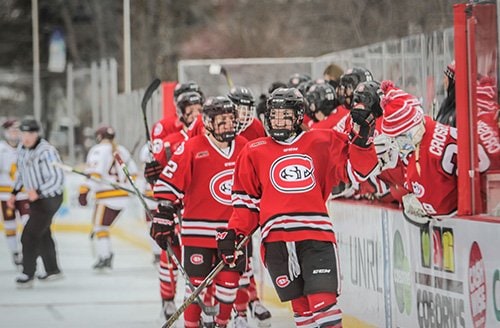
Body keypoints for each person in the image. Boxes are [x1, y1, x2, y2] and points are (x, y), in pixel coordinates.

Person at [219, 88, 378, 327]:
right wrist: (235, 234)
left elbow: (359, 171)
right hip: (276, 242)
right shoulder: (253, 151)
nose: (279, 120)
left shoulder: (322, 141)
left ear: (298, 116)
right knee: (301, 309)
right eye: (275, 115)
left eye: (286, 115)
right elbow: (245, 205)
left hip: (315, 236)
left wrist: (363, 141)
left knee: (323, 303)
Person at [152, 96, 248, 327]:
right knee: (195, 288)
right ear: (208, 123)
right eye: (221, 121)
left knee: (229, 286)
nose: (227, 125)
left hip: (234, 232)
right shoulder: (192, 147)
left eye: (230, 120)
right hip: (197, 233)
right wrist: (164, 214)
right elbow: (167, 185)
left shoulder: (245, 146)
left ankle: (222, 324)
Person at [379, 80, 490, 225]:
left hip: (486, 199)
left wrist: (419, 204)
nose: (397, 144)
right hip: (488, 184)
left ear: (408, 131)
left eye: (397, 138)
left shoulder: (420, 167)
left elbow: (442, 210)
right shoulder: (429, 126)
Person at [228, 86, 271, 326]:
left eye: (246, 108)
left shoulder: (256, 128)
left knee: (246, 256)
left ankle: (249, 302)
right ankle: (239, 306)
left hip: (248, 201)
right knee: (231, 258)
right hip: (221, 201)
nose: (243, 114)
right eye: (238, 108)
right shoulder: (218, 124)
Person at [7, 118, 64, 287]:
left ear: (37, 134)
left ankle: (27, 274)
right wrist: (14, 193)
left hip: (50, 199)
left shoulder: (46, 151)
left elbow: (57, 178)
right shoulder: (22, 150)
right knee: (43, 233)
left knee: (29, 235)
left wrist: (39, 192)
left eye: (30, 133)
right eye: (23, 133)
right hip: (37, 200)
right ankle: (52, 270)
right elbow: (22, 174)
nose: (26, 137)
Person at [78, 125, 138, 270]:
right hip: (122, 196)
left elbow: (95, 173)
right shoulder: (122, 150)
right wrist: (127, 187)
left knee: (100, 227)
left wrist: (84, 190)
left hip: (107, 197)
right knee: (101, 227)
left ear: (98, 137)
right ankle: (105, 255)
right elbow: (134, 174)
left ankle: (105, 257)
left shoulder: (98, 150)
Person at [0, 119, 29, 267]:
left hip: (24, 194)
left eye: (17, 131)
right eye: (12, 131)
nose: (14, 134)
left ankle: (26, 252)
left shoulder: (25, 148)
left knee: (27, 223)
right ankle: (15, 252)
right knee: (10, 225)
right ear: (6, 132)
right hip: (5, 195)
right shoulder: (1, 149)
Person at [435, 61, 456, 127]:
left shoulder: (459, 109)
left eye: (445, 78)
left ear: (452, 81)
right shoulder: (446, 103)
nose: (444, 81)